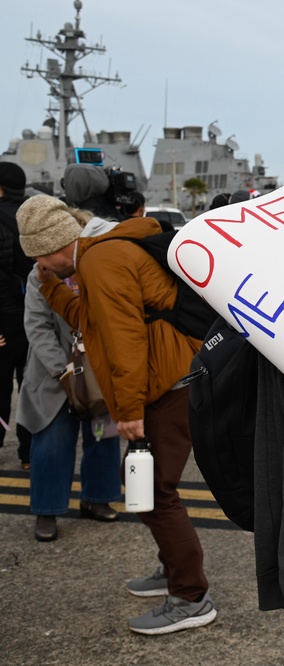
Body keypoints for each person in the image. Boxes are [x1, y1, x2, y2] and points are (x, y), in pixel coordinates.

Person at [16, 194, 217, 634]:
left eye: (41, 261)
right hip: (171, 377)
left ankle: (190, 596)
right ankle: (173, 571)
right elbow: (93, 322)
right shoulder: (99, 252)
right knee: (146, 487)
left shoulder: (101, 262)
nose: (42, 268)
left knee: (155, 491)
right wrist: (51, 287)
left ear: (52, 246)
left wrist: (127, 411)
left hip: (169, 384)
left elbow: (125, 340)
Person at [19, 206, 121, 542]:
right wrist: (63, 371)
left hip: (97, 370)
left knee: (103, 437)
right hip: (54, 375)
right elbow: (37, 326)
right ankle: (47, 511)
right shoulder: (41, 274)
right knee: (51, 442)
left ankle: (98, 498)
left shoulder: (96, 266)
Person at [0, 162, 35, 470]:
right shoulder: (32, 218)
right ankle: (28, 453)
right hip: (34, 320)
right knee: (30, 387)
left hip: (4, 321)